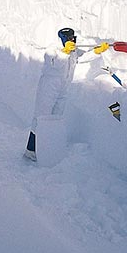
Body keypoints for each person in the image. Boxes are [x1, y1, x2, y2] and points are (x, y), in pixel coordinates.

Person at [24, 28, 108, 161]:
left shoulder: (73, 49)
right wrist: (64, 52)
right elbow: (53, 64)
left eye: (72, 37)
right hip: (49, 85)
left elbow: (83, 57)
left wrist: (97, 51)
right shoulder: (53, 49)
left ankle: (49, 147)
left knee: (56, 117)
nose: (71, 39)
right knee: (41, 116)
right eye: (68, 37)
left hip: (64, 86)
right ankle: (31, 149)